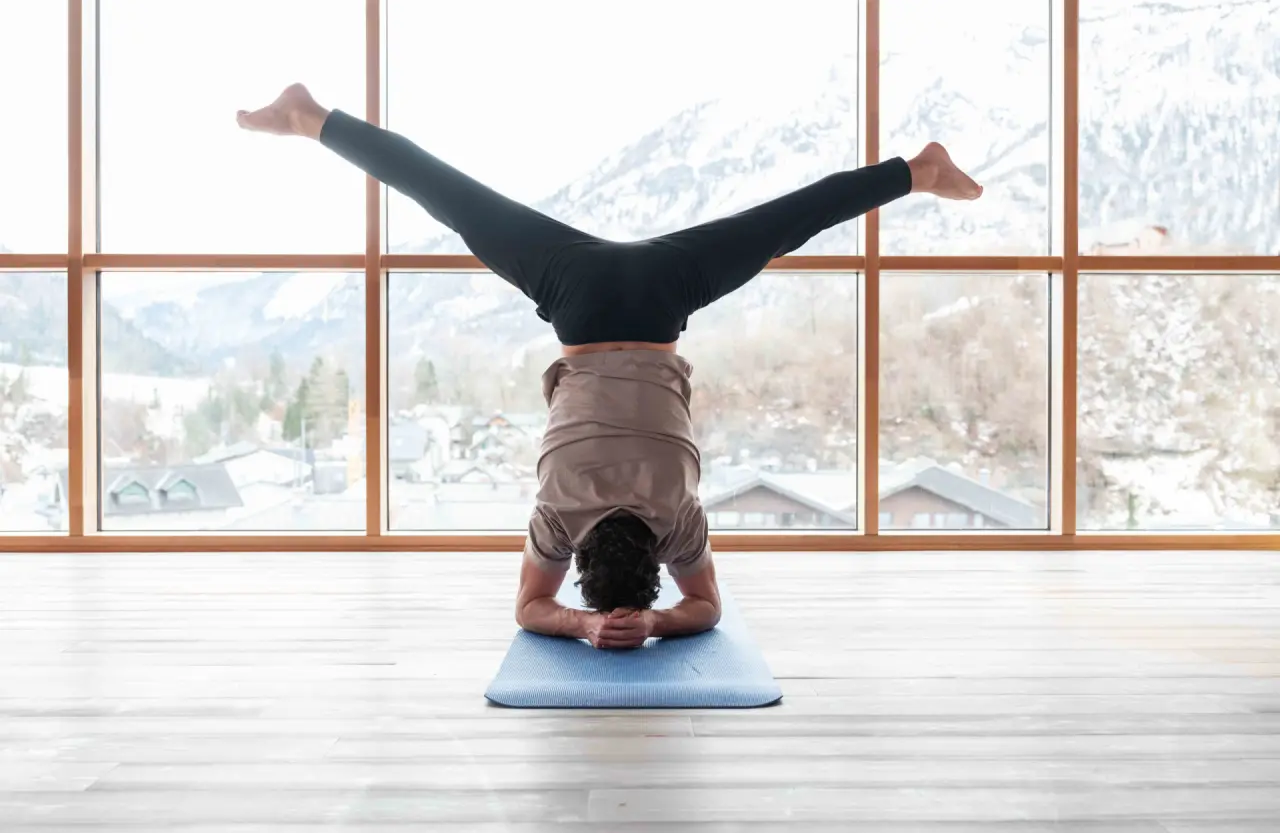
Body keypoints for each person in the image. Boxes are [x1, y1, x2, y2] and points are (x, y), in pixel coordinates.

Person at [238, 84, 982, 650]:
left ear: (657, 556)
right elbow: (530, 609)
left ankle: (917, 170)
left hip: (660, 300)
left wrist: (655, 621)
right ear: (577, 554)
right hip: (580, 302)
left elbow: (707, 606)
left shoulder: (677, 516)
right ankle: (312, 119)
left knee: (783, 221)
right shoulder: (560, 511)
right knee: (452, 196)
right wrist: (581, 624)